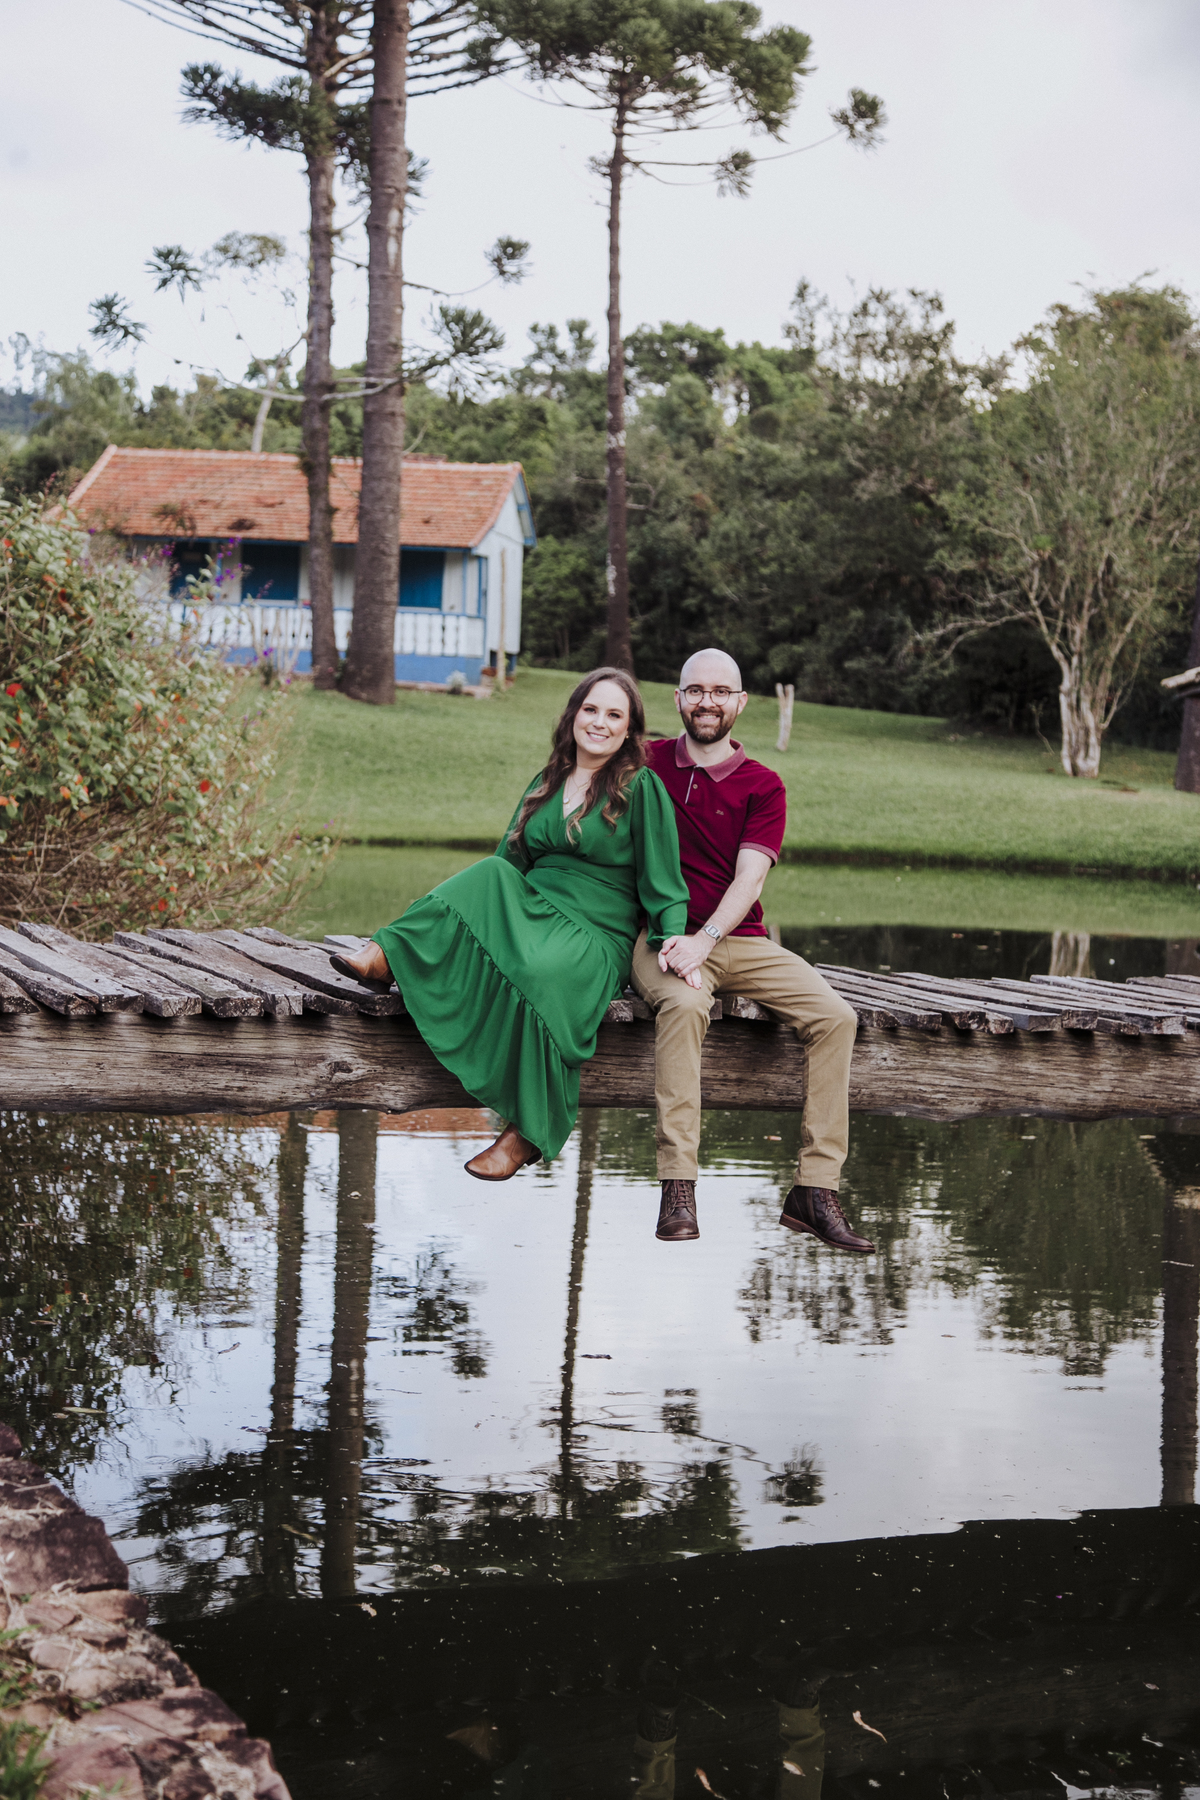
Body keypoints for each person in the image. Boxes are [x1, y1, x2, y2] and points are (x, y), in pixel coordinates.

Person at [332, 668, 690, 1181]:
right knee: (491, 872)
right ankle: (388, 954)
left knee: (542, 973)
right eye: (591, 709)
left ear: (629, 729)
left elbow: (664, 879)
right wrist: (479, 921)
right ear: (573, 715)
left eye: (614, 715)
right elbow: (508, 862)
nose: (600, 722)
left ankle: (525, 1131)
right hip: (535, 907)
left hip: (596, 932)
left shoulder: (641, 786)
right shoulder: (547, 780)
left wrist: (672, 939)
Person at [632, 648, 874, 1253]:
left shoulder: (763, 784)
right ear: (678, 698)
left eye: (721, 692)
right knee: (685, 1006)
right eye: (695, 690)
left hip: (738, 939)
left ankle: (815, 1191)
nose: (707, 702)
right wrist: (680, 942)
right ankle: (678, 1186)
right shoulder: (646, 763)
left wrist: (706, 940)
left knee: (836, 1017)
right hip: (661, 937)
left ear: (740, 703)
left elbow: (750, 878)